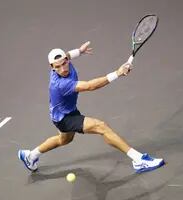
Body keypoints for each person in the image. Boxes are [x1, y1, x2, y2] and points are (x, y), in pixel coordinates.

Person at [18, 41, 165, 173]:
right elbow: (89, 86)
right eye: (58, 67)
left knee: (64, 140)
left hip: (61, 113)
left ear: (66, 60)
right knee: (101, 126)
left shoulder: (63, 61)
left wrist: (79, 51)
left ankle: (30, 155)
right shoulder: (60, 84)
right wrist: (118, 73)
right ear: (52, 68)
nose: (63, 68)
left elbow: (67, 54)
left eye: (64, 63)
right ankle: (139, 160)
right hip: (65, 118)